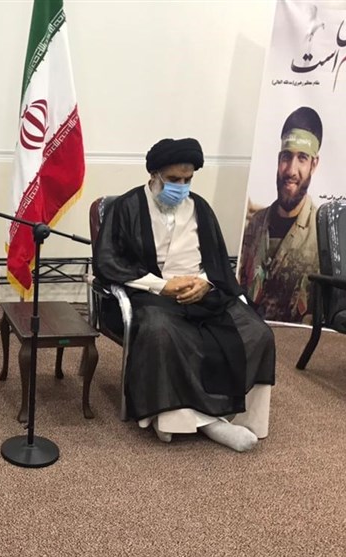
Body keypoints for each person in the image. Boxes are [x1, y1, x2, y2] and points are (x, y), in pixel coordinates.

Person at [93, 138, 275, 452]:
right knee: (162, 331)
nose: (181, 187)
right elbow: (108, 261)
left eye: (187, 180)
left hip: (203, 291)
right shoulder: (127, 207)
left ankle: (241, 417)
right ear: (154, 175)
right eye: (173, 179)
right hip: (151, 293)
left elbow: (217, 261)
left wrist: (205, 282)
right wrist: (161, 286)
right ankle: (195, 421)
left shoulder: (200, 208)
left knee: (258, 332)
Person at [240, 106, 322, 323]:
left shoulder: (322, 233)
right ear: (278, 160)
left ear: (314, 164)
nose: (291, 170)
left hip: (298, 341)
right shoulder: (255, 224)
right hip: (251, 335)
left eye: (302, 158)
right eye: (287, 157)